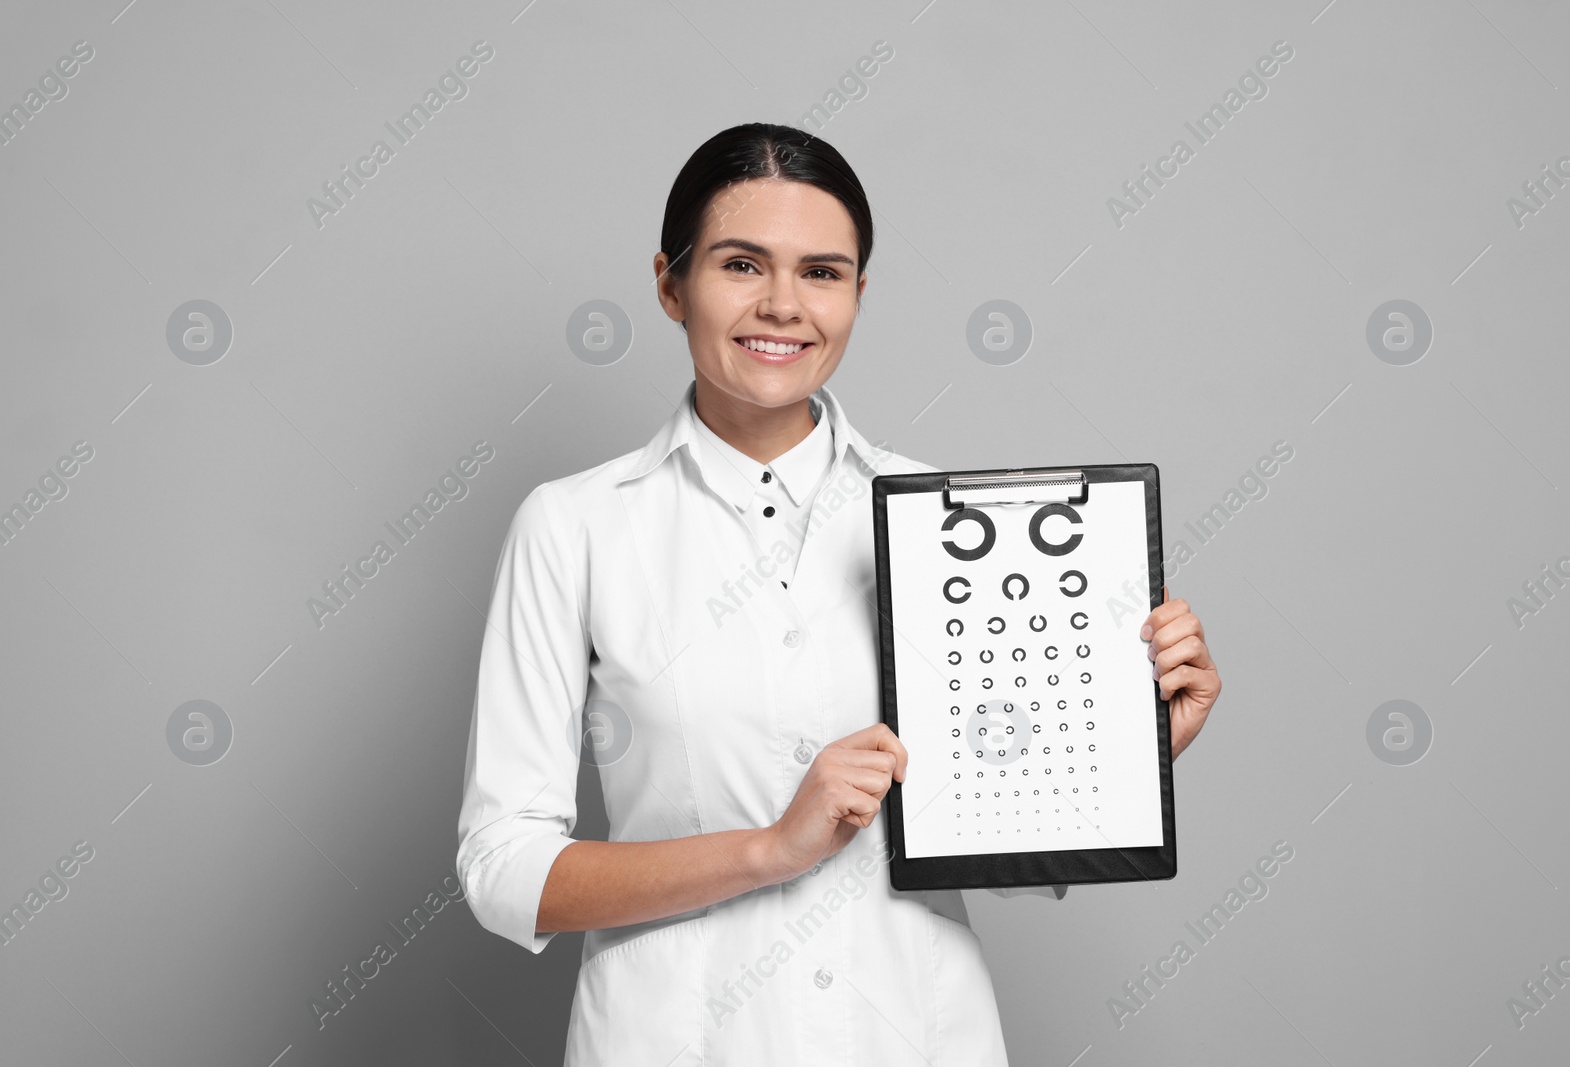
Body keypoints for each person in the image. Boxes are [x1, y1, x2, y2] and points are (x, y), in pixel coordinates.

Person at [455, 122, 1222, 1065]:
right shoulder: (574, 526)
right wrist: (771, 848)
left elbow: (989, 839)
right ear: (669, 283)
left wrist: (1126, 755)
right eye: (742, 264)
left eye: (822, 272)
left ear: (858, 293)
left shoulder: (961, 527)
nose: (784, 306)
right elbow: (505, 869)